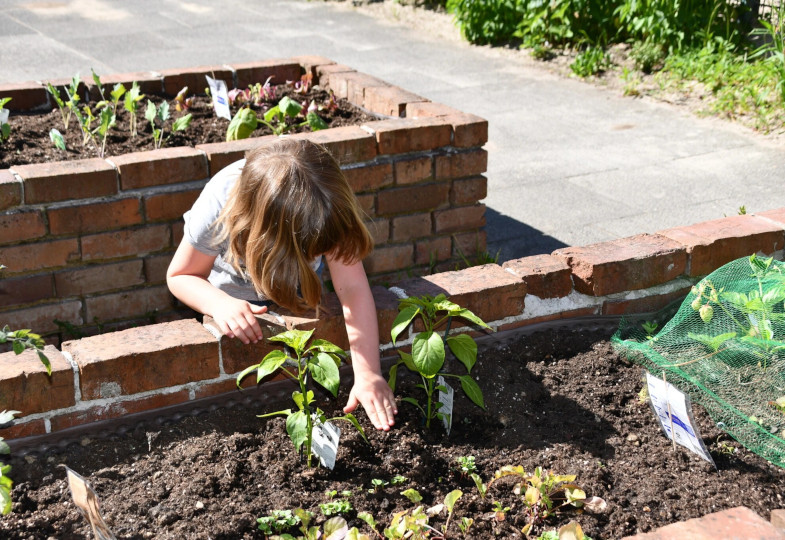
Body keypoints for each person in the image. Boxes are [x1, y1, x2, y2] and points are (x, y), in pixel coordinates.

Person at [166, 137, 397, 431]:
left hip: (295, 292)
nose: (315, 257)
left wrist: (368, 374)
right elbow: (181, 275)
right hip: (230, 302)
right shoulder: (217, 205)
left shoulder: (326, 202)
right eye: (308, 250)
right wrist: (219, 305)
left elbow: (352, 288)